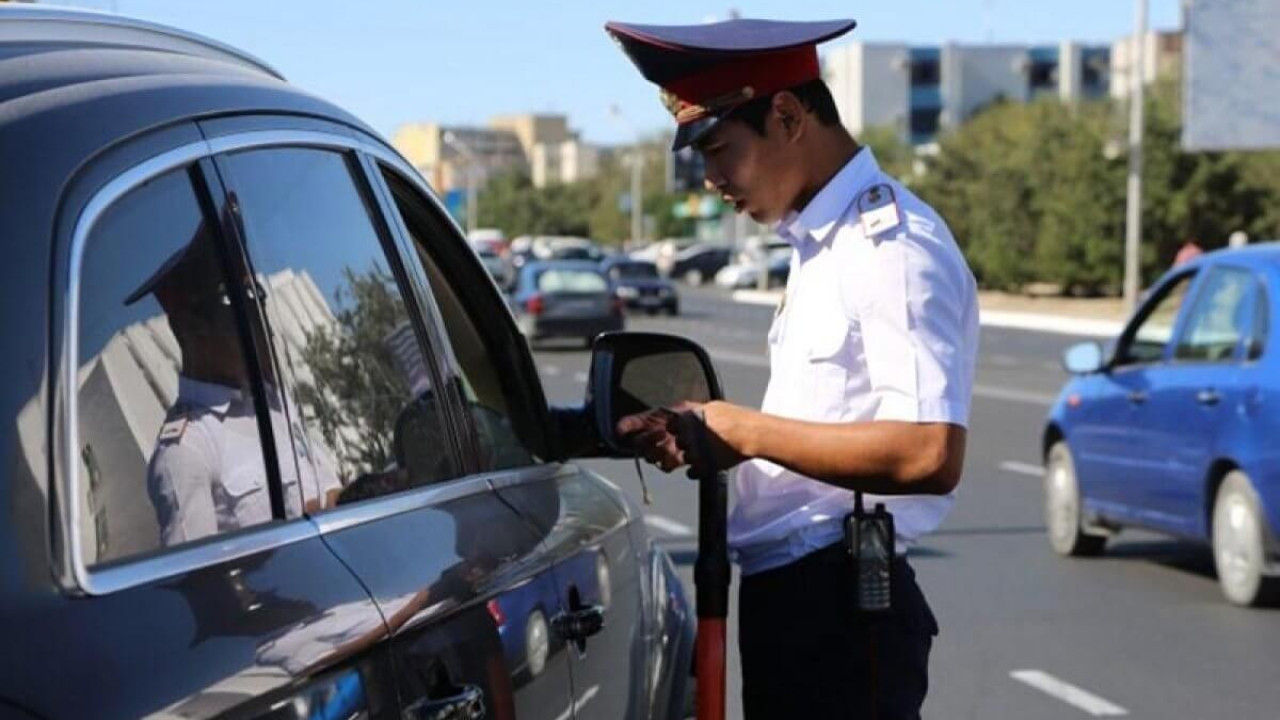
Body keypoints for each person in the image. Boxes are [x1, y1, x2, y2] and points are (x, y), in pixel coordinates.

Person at [605, 17, 979, 719]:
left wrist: (743, 431)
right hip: (802, 600)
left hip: (838, 609)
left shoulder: (887, 247)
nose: (712, 179)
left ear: (786, 115)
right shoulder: (821, 244)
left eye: (720, 149)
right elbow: (822, 426)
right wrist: (705, 432)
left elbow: (929, 451)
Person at [126, 221, 342, 546]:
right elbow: (207, 589)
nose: (260, 319)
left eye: (258, 298)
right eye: (237, 303)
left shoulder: (275, 402)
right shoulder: (186, 451)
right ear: (190, 329)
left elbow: (329, 491)